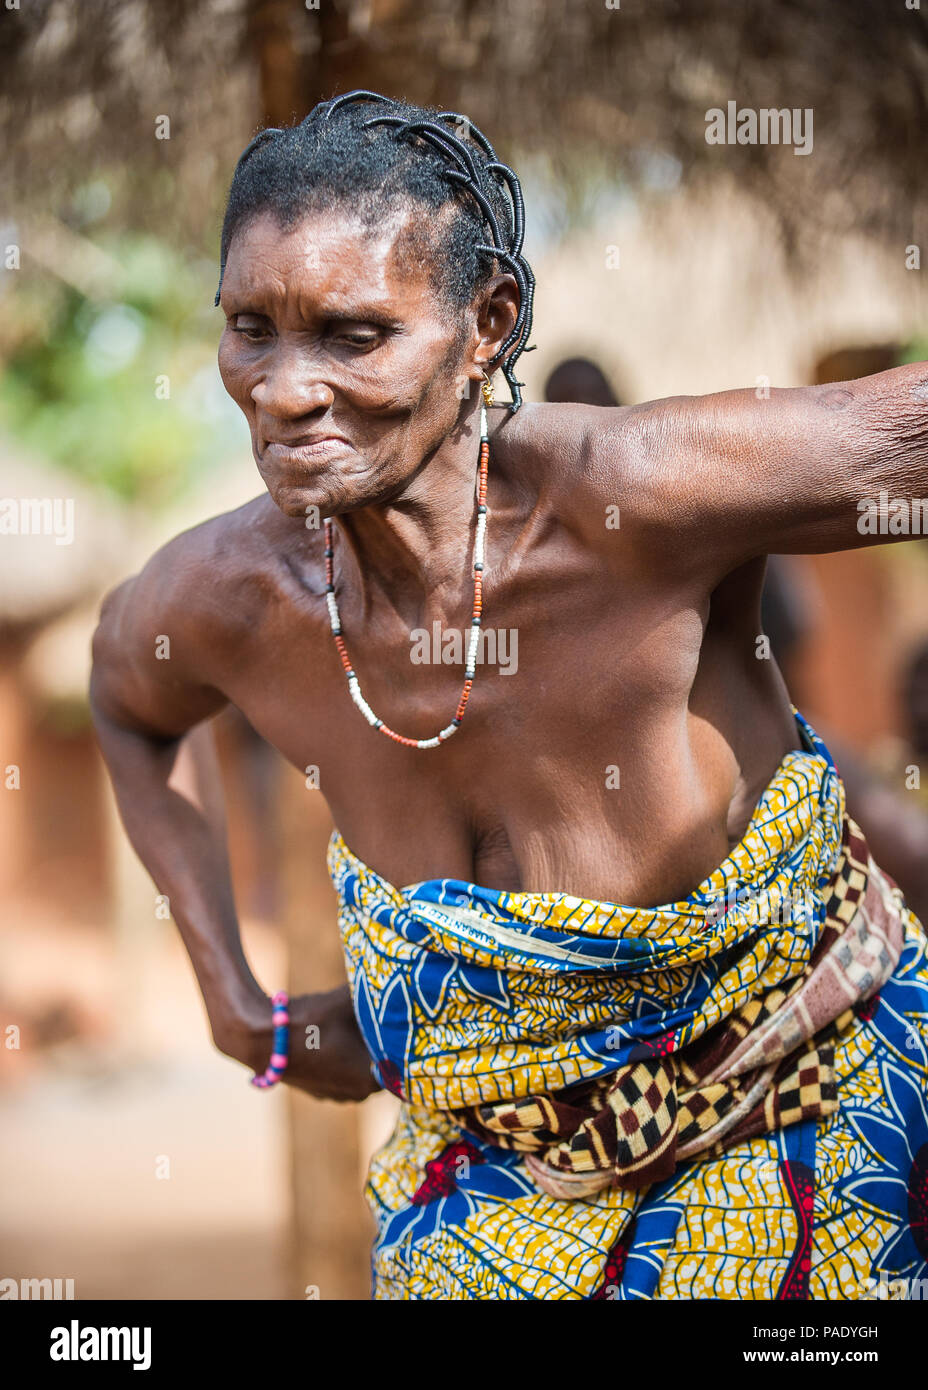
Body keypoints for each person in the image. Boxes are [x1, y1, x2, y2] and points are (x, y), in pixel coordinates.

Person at [90, 92, 928, 1301]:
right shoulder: (225, 598)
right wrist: (232, 1004)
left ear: (488, 324)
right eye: (250, 330)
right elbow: (124, 706)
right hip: (490, 1210)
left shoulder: (640, 504)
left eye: (352, 334)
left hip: (817, 1142)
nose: (281, 391)